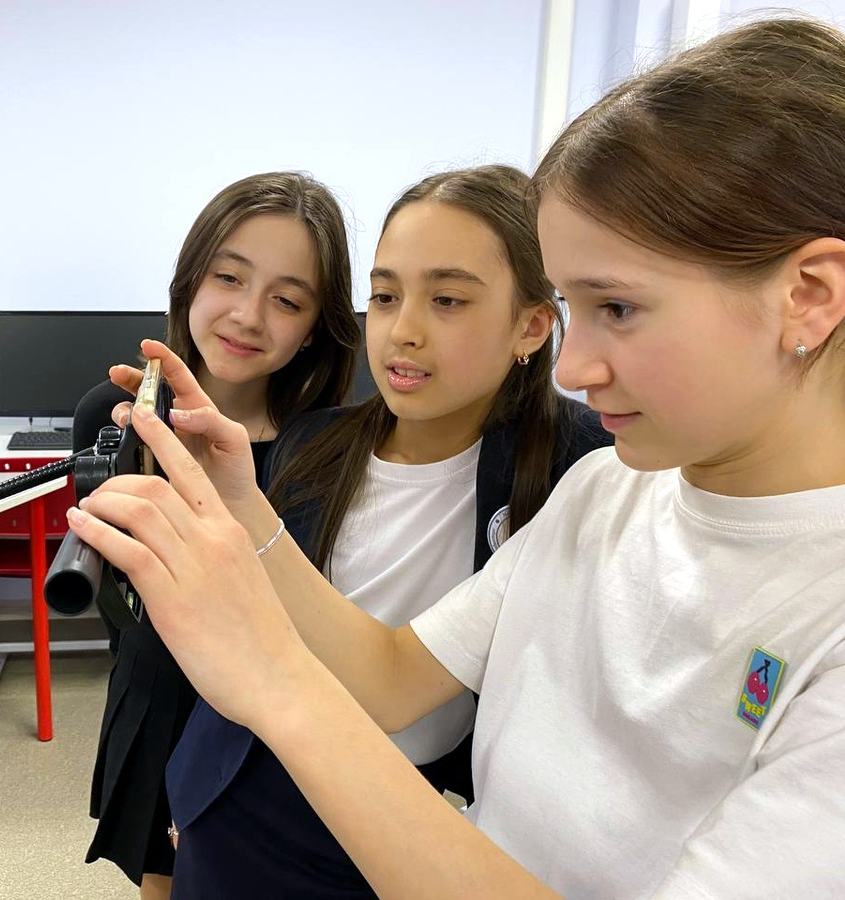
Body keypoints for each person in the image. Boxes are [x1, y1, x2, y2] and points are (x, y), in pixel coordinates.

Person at [65, 17, 845, 898]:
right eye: (385, 295)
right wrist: (244, 508)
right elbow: (396, 677)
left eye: (619, 308)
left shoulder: (787, 595)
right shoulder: (604, 492)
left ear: (809, 296)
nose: (575, 369)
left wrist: (277, 684)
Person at [162, 165, 612, 897]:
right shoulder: (314, 443)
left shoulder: (585, 467)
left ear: (532, 325)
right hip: (243, 788)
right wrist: (194, 789)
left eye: (447, 299)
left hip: (403, 825)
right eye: (385, 295)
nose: (403, 332)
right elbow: (250, 625)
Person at [73, 171, 360, 899]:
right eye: (228, 277)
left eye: (287, 300)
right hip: (159, 691)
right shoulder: (112, 413)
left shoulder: (331, 439)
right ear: (191, 279)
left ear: (315, 326)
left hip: (274, 709)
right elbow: (114, 589)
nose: (247, 315)